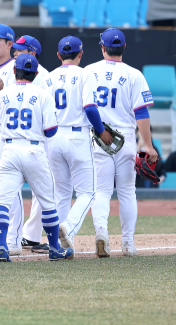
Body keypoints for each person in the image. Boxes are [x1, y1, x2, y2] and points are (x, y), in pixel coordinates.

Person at [0, 54, 73, 262]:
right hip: (34, 151)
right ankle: (54, 248)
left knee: (3, 202)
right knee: (48, 202)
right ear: (36, 73)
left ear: (14, 72)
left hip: (9, 150)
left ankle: (3, 246)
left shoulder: (3, 94)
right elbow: (50, 131)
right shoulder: (43, 95)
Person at [85, 28, 157, 257]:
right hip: (125, 137)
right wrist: (147, 144)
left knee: (101, 192)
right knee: (127, 192)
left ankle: (102, 233)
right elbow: (141, 113)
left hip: (98, 136)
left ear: (102, 47)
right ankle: (128, 244)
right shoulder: (134, 74)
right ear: (124, 47)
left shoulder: (88, 71)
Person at [42, 36, 112, 252]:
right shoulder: (85, 74)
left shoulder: (49, 78)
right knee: (87, 193)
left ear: (58, 55)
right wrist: (101, 130)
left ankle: (58, 244)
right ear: (81, 54)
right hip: (77, 136)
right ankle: (69, 228)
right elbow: (90, 108)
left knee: (61, 193)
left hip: (52, 138)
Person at [0, 24, 27, 256]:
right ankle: (3, 236)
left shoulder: (16, 68)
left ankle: (15, 239)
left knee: (9, 186)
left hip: (5, 132)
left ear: (10, 44)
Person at [12, 34, 49, 253]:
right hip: (22, 137)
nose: (16, 51)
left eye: (20, 49)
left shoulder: (43, 76)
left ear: (33, 53)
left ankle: (31, 235)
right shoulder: (15, 71)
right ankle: (25, 235)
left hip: (38, 138)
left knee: (41, 189)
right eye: (15, 48)